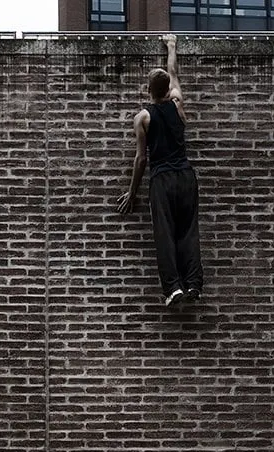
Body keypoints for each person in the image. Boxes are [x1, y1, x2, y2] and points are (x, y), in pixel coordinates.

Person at [117, 34, 203, 307]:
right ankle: (193, 284)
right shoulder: (177, 104)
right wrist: (171, 46)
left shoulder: (142, 117)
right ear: (167, 88)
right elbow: (174, 71)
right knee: (188, 231)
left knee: (165, 233)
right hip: (186, 176)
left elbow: (141, 159)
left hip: (162, 179)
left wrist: (132, 192)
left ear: (148, 90)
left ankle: (173, 289)